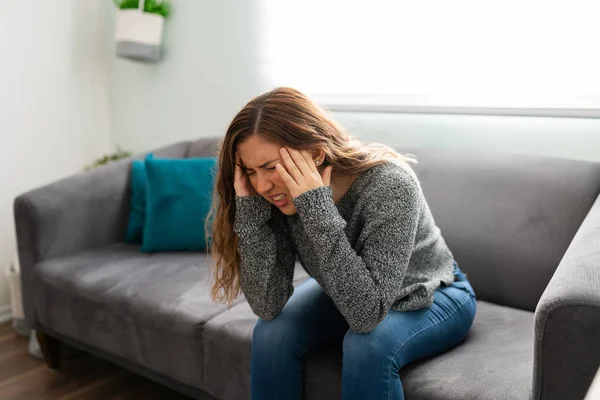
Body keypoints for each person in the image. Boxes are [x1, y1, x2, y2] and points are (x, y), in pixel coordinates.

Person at [208, 87, 476, 400]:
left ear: (316, 153)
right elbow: (267, 305)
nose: (262, 185)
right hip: (350, 290)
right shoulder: (275, 196)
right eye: (251, 172)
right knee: (272, 333)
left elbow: (366, 316)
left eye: (270, 167)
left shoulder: (390, 185)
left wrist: (316, 208)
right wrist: (251, 213)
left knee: (367, 345)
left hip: (431, 292)